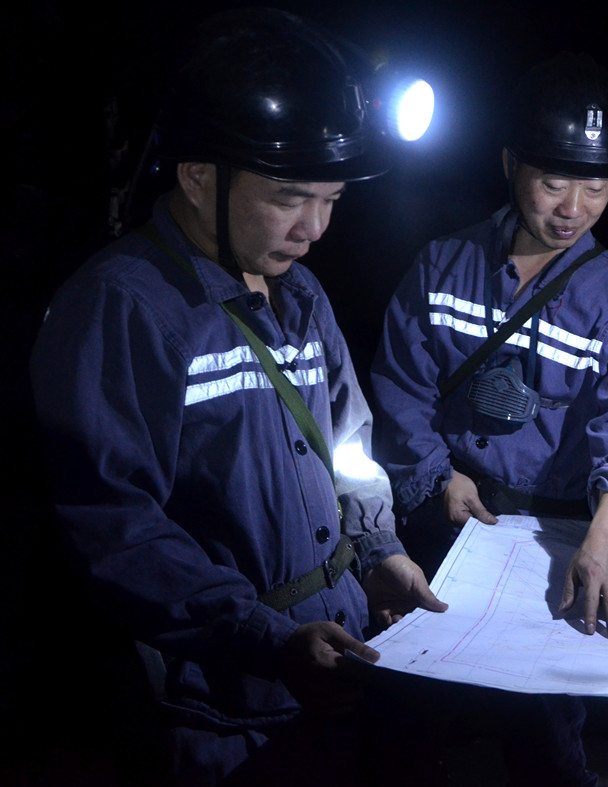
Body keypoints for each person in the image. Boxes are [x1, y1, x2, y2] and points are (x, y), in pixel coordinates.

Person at [29, 9, 446, 785]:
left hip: (341, 669)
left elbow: (349, 449)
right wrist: (265, 639)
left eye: (332, 199)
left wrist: (379, 551)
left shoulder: (304, 296)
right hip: (219, 710)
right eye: (290, 197)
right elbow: (117, 530)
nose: (315, 227)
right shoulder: (120, 308)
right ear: (197, 176)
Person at [370, 52, 608, 785]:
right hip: (446, 529)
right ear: (511, 164)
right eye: (554, 182)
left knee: (545, 739)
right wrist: (433, 478)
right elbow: (400, 388)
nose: (574, 207)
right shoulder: (441, 266)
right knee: (408, 719)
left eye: (595, 186)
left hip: (551, 539)